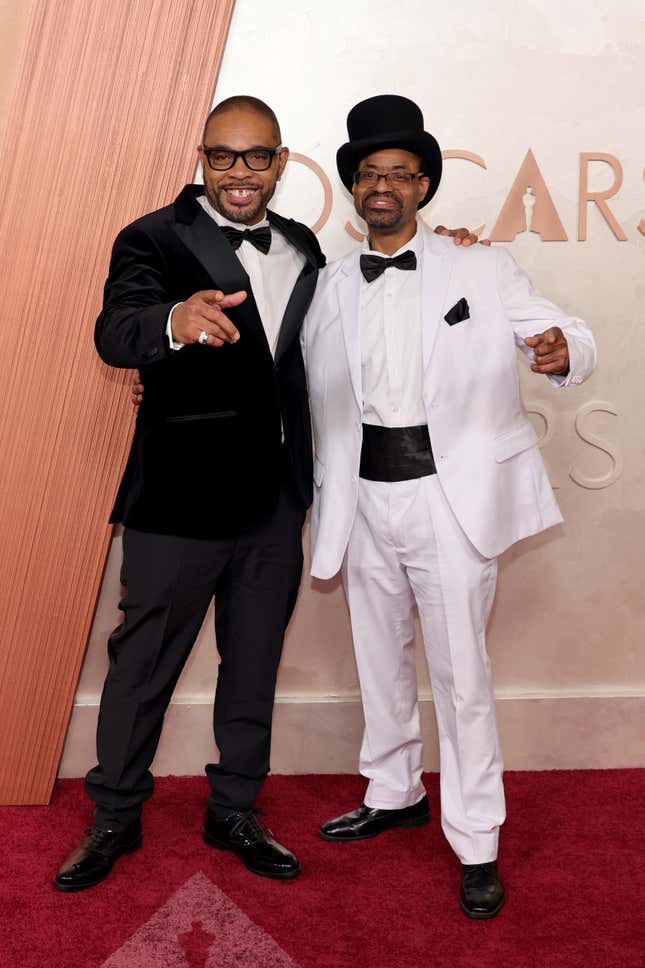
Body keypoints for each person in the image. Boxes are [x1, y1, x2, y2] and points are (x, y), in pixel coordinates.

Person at [54, 95, 476, 892]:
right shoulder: (150, 236)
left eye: (256, 157)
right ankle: (114, 813)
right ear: (202, 158)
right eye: (223, 156)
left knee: (252, 665)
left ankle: (235, 809)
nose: (238, 173)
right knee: (141, 662)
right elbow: (118, 330)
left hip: (275, 505)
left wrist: (452, 250)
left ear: (280, 164)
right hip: (175, 502)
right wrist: (173, 321)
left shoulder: (305, 247)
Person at [302, 95, 596, 918]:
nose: (383, 186)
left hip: (449, 498)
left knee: (462, 675)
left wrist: (563, 347)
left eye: (399, 173)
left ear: (424, 185)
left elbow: (563, 327)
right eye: (369, 174)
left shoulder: (480, 266)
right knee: (378, 659)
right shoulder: (327, 285)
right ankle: (392, 789)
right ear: (353, 190)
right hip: (360, 499)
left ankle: (476, 839)